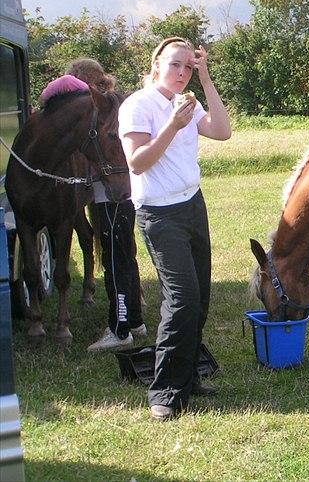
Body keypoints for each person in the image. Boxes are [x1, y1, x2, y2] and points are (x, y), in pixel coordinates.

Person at [118, 37, 231, 421]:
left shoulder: (187, 102)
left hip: (192, 206)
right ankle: (164, 392)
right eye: (175, 65)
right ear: (156, 65)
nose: (182, 73)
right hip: (159, 213)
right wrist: (173, 125)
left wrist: (207, 79)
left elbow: (222, 130)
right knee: (181, 299)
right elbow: (137, 162)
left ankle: (188, 377)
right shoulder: (138, 105)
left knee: (199, 298)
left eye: (188, 66)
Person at [37, 60, 146, 352]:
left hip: (111, 190)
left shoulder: (100, 106)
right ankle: (134, 318)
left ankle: (120, 328)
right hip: (116, 189)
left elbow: (57, 88)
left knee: (113, 257)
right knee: (124, 252)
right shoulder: (114, 104)